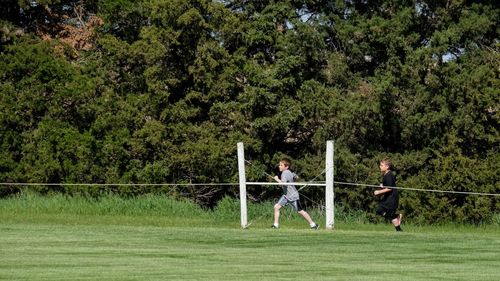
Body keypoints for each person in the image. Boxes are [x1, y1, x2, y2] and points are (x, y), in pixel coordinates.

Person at [271, 158, 319, 230]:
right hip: (286, 196)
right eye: (279, 165)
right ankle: (276, 225)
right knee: (276, 207)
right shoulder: (290, 172)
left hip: (293, 196)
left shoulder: (284, 173)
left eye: (281, 165)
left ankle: (313, 225)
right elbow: (296, 176)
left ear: (286, 167)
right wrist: (294, 178)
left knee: (300, 211)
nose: (279, 166)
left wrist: (276, 179)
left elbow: (283, 184)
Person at [374, 158, 402, 231]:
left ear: (387, 167)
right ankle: (398, 221)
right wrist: (383, 186)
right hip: (389, 197)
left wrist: (378, 192)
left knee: (386, 213)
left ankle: (399, 229)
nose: (380, 166)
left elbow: (390, 188)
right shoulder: (386, 174)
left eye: (381, 165)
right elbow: (390, 185)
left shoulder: (389, 175)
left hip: (392, 198)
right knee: (380, 210)